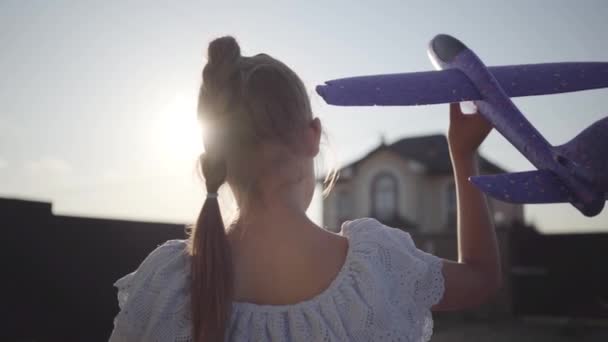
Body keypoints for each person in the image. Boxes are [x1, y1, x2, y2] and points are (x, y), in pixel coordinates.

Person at [109, 36, 501, 342]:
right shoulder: (378, 269)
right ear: (312, 136)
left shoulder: (165, 287)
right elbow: (481, 278)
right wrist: (463, 154)